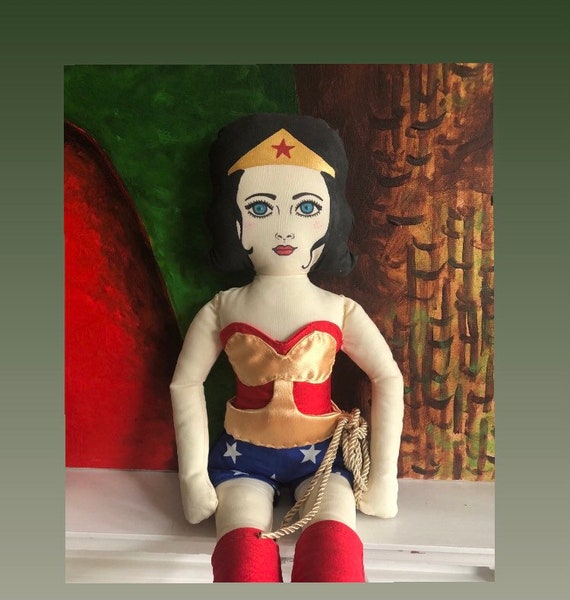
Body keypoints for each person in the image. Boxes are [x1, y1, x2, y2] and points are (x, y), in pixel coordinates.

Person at [170, 113, 404, 582]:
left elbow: (388, 377)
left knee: (334, 550)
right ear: (235, 222)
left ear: (331, 218)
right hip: (242, 457)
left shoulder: (341, 310)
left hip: (324, 458)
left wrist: (382, 477)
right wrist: (192, 477)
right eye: (260, 208)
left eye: (306, 207)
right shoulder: (221, 308)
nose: (283, 229)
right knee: (241, 553)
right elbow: (185, 384)